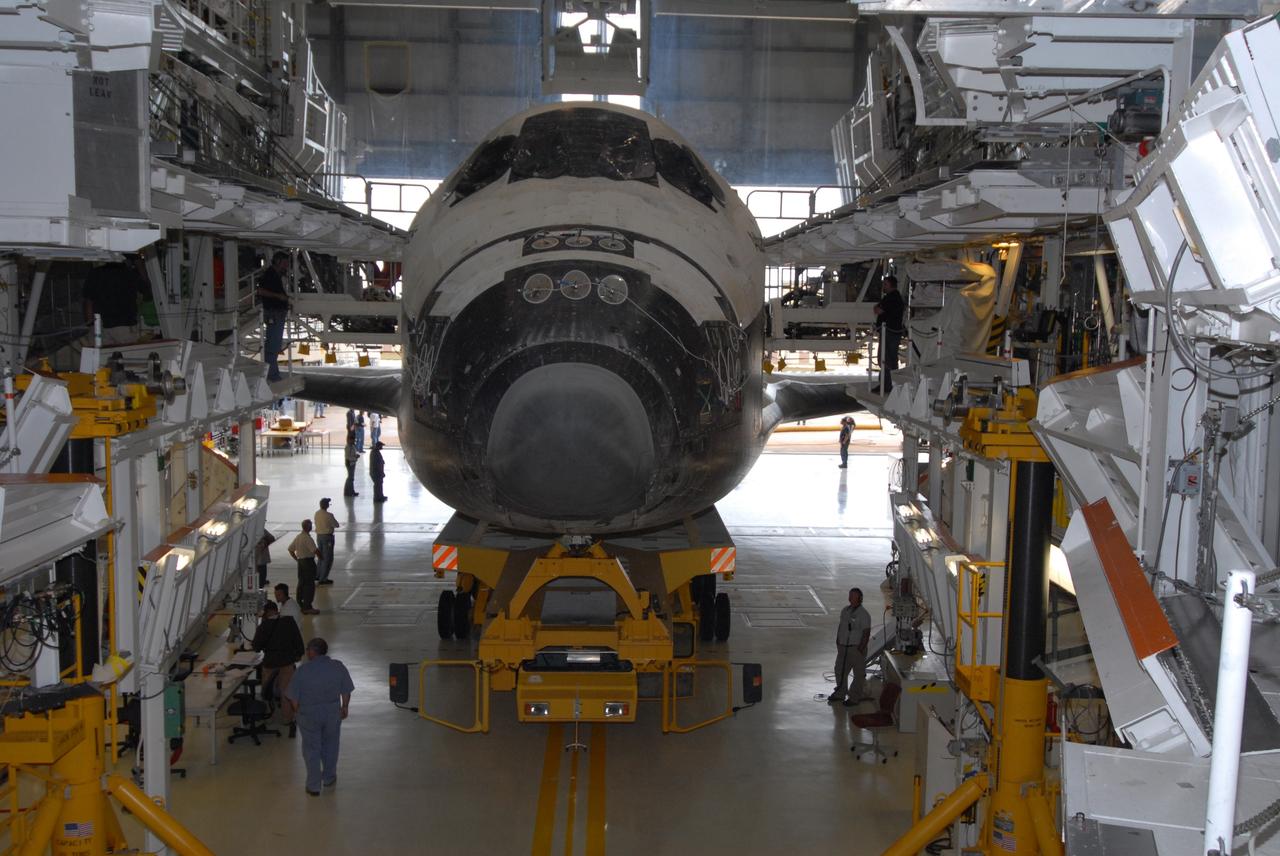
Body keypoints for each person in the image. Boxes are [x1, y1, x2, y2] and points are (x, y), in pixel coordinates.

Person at [285, 637, 355, 796]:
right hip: (332, 712)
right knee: (331, 745)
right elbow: (346, 690)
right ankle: (329, 778)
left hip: (309, 713)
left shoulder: (303, 671)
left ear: (311, 652)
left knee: (311, 749)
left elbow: (293, 697)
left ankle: (313, 785)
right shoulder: (338, 667)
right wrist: (344, 707)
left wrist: (298, 711)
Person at [251, 601, 305, 738]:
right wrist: (298, 654)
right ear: (277, 610)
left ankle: (269, 716)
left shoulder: (264, 625)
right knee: (287, 691)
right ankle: (287, 718)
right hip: (287, 662)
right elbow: (298, 640)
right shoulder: (289, 622)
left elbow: (256, 646)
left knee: (267, 689)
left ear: (267, 612)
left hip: (270, 663)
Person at [83, 257, 148, 346]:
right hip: (124, 325)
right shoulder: (129, 273)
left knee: (102, 357)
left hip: (100, 325)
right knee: (126, 357)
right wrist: (140, 265)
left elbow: (88, 301)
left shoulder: (95, 273)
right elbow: (146, 290)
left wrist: (90, 325)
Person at [828, 587, 871, 707]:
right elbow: (841, 626)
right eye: (850, 595)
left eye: (853, 596)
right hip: (843, 648)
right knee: (840, 670)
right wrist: (838, 640)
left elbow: (866, 633)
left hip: (855, 648)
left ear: (860, 598)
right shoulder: (845, 611)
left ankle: (854, 697)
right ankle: (840, 693)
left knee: (858, 674)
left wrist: (861, 649)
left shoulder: (864, 614)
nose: (850, 598)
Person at [257, 251, 291, 382]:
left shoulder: (274, 275)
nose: (286, 266)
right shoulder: (270, 275)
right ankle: (272, 375)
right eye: (285, 263)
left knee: (273, 344)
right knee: (273, 345)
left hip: (276, 313)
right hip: (274, 313)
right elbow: (261, 291)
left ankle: (272, 373)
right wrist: (279, 297)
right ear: (278, 262)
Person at [873, 275, 906, 394]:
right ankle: (890, 384)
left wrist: (878, 308)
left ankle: (887, 385)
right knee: (890, 358)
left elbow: (878, 310)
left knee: (886, 358)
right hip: (892, 331)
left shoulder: (891, 298)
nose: (883, 286)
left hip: (889, 332)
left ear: (891, 285)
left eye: (885, 284)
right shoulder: (893, 297)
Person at [287, 521, 321, 616]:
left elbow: (290, 549)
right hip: (308, 562)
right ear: (309, 527)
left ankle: (301, 605)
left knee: (301, 583)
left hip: (301, 562)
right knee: (309, 584)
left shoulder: (298, 537)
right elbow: (315, 550)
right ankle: (307, 607)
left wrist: (297, 559)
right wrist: (322, 558)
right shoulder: (307, 538)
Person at [314, 498, 339, 586]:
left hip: (319, 536)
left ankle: (318, 574)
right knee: (327, 558)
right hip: (327, 538)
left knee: (320, 556)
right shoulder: (329, 515)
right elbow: (336, 525)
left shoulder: (317, 513)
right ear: (327, 505)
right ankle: (323, 578)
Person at [343, 431, 360, 498]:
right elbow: (348, 457)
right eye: (353, 440)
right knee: (350, 478)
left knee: (351, 478)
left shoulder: (352, 445)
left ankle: (351, 491)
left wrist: (355, 456)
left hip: (353, 463)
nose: (354, 441)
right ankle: (348, 492)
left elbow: (352, 453)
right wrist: (355, 458)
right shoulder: (348, 447)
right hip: (350, 463)